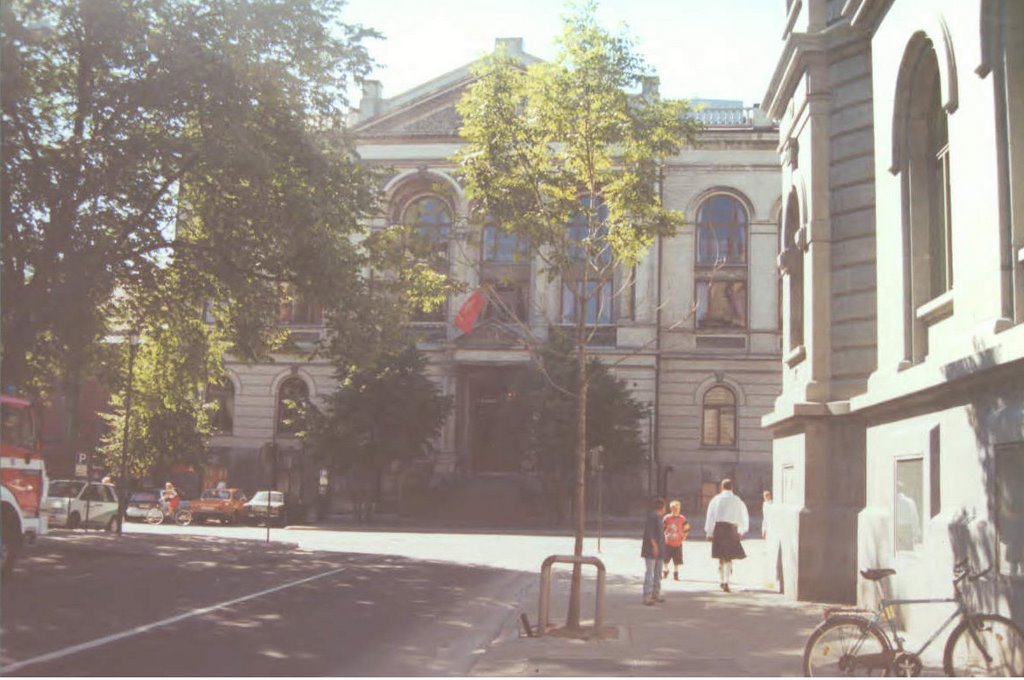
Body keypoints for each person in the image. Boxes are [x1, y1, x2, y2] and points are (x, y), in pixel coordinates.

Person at [704, 479, 749, 592]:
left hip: (719, 528)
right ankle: (726, 582)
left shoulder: (716, 499)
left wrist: (709, 532)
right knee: (728, 557)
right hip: (731, 529)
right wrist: (742, 530)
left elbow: (710, 516)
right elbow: (743, 515)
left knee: (721, 556)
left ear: (721, 487)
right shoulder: (737, 500)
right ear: (732, 487)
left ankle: (721, 580)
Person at [641, 496, 667, 605]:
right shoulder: (652, 517)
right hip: (652, 549)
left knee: (658, 572)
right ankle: (647, 595)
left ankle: (656, 592)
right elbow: (650, 533)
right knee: (650, 571)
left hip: (659, 549)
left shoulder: (658, 518)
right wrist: (654, 546)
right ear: (662, 507)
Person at [662, 499, 690, 581]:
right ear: (671, 509)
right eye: (674, 509)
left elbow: (686, 528)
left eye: (677, 509)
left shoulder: (682, 518)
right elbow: (663, 528)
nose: (675, 510)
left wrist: (685, 536)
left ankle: (676, 572)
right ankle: (666, 569)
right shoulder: (667, 518)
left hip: (678, 543)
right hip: (668, 542)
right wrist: (663, 535)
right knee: (665, 558)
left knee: (677, 560)